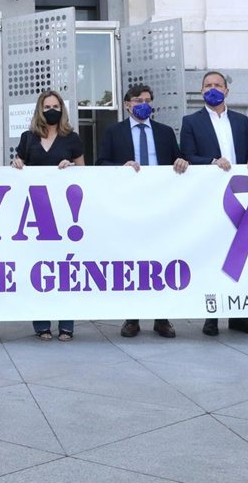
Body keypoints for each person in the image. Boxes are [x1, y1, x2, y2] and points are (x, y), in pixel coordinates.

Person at [97, 83, 189, 340]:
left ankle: (162, 318)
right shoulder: (114, 132)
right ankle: (132, 318)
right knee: (133, 259)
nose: (144, 104)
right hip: (129, 205)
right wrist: (121, 167)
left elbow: (179, 160)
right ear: (128, 105)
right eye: (138, 100)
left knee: (161, 259)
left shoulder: (165, 132)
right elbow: (100, 163)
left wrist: (182, 161)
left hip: (161, 206)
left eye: (148, 100)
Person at [178, 70, 248, 338]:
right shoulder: (191, 122)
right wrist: (212, 161)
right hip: (210, 198)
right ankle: (212, 315)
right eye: (207, 85)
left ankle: (239, 316)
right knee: (214, 254)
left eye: (217, 85)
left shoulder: (240, 121)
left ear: (227, 90)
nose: (212, 89)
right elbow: (187, 155)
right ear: (201, 91)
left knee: (240, 254)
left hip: (240, 197)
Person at [12, 90, 84, 341]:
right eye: (47, 106)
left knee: (65, 267)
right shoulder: (28, 138)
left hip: (64, 212)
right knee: (38, 267)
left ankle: (66, 324)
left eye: (55, 106)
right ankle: (41, 323)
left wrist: (71, 167)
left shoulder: (72, 138)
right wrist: (17, 164)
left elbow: (84, 172)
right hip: (36, 211)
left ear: (61, 109)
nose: (51, 110)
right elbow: (19, 166)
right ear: (39, 110)